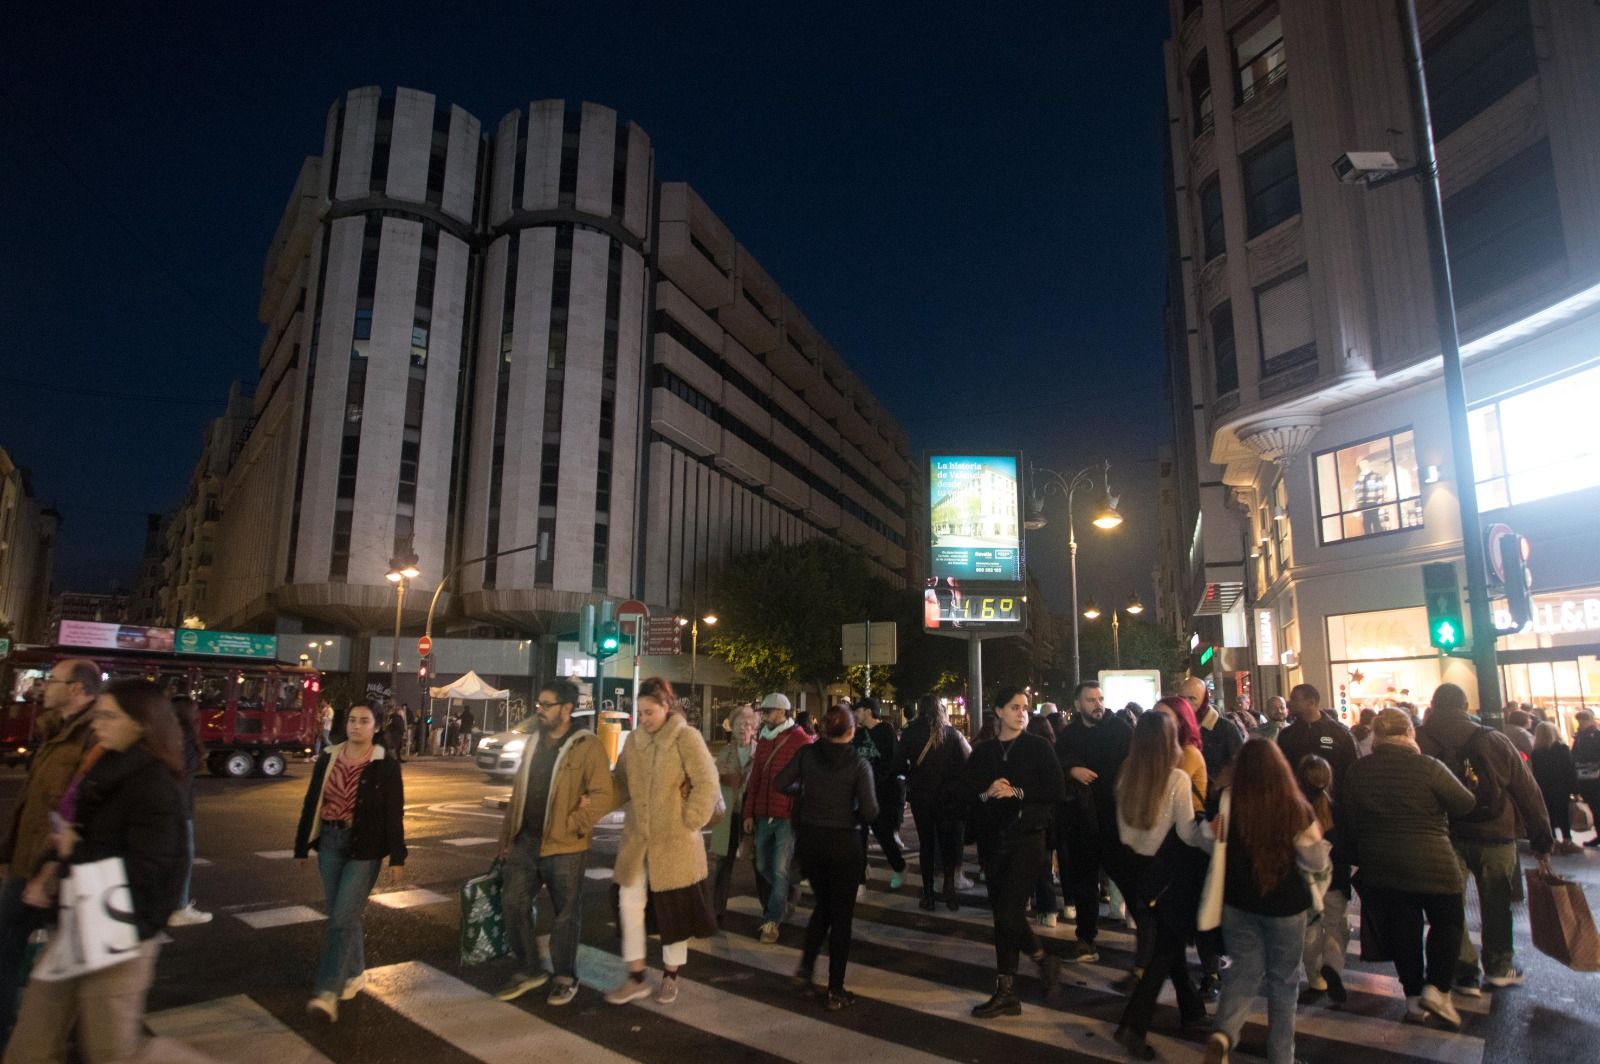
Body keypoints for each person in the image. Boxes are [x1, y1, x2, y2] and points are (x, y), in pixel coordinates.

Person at [3, 680, 188, 1064]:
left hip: (121, 930)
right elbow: (74, 828)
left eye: (108, 716)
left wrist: (75, 851)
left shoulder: (155, 784)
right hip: (77, 920)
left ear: (141, 723)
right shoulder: (103, 765)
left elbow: (150, 868)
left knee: (115, 1053)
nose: (97, 724)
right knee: (30, 1045)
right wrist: (48, 869)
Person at [1339, 708, 1475, 1026]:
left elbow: (1348, 817)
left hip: (1383, 864)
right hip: (1434, 862)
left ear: (1377, 736)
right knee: (1448, 922)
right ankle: (1438, 987)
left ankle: (1413, 998)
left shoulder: (1359, 772)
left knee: (1404, 930)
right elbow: (1464, 803)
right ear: (1410, 732)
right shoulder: (1428, 767)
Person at [1417, 682, 1553, 994]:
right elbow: (1526, 790)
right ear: (1465, 705)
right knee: (1496, 901)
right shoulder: (1493, 738)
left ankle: (1462, 968)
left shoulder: (1420, 739)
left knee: (1450, 903)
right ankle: (1499, 965)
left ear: (1434, 705)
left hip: (1445, 832)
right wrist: (1541, 837)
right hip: (1496, 830)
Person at [1203, 740, 1328, 1064]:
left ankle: (1224, 1034)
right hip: (1286, 905)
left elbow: (1213, 843)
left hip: (1238, 902)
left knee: (1242, 973)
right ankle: (1281, 1056)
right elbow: (1314, 861)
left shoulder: (1229, 799)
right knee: (1284, 983)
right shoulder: (1294, 806)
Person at [495, 679, 614, 1006]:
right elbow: (519, 790)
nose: (540, 711)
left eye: (546, 705)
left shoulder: (585, 745)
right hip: (525, 841)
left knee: (566, 914)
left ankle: (565, 975)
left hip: (565, 846)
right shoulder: (534, 741)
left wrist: (576, 823)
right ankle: (530, 967)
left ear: (567, 708)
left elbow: (604, 794)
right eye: (539, 705)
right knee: (513, 904)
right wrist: (507, 837)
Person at [0, 658, 100, 1043]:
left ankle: (74, 1039)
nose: (44, 686)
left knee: (68, 962)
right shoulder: (56, 730)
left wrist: (51, 868)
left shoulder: (94, 735)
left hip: (58, 871)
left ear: (76, 688)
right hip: (28, 864)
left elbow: (79, 810)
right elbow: (36, 802)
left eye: (52, 680)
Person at [605, 678, 719, 1007]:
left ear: (666, 707)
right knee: (629, 904)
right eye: (640, 713)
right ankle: (636, 977)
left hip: (675, 844)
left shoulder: (686, 737)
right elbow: (620, 784)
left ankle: (671, 975)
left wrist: (690, 819)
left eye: (650, 712)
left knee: (674, 912)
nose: (644, 719)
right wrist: (595, 802)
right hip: (637, 841)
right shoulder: (634, 742)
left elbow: (707, 782)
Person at [293, 705, 406, 1022]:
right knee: (343, 913)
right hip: (330, 841)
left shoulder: (385, 764)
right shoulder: (329, 756)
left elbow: (393, 814)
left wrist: (398, 857)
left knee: (341, 918)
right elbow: (312, 800)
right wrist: (302, 845)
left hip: (365, 848)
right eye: (352, 720)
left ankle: (327, 991)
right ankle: (355, 972)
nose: (356, 726)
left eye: (364, 721)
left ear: (376, 727)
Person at [1115, 710, 1214, 1059]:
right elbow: (1187, 834)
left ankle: (1192, 1011)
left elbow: (1125, 832)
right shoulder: (1176, 780)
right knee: (1165, 953)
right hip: (1169, 876)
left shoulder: (1127, 774)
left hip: (1138, 871)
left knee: (1168, 950)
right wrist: (1213, 838)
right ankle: (1132, 1026)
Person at [964, 687, 1065, 1019]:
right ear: (999, 711)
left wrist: (1017, 792)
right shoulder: (984, 752)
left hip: (1028, 840)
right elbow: (965, 791)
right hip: (993, 841)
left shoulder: (1039, 747)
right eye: (1014, 707)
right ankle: (1006, 990)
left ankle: (1041, 959)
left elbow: (1055, 789)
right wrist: (985, 793)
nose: (1022, 713)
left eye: (1025, 707)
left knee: (1009, 912)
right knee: (1001, 917)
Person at [777, 704, 878, 1009]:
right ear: (851, 731)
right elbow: (871, 810)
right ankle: (835, 988)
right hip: (844, 843)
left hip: (811, 841)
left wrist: (806, 791)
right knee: (841, 916)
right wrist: (853, 809)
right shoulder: (858, 764)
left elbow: (781, 783)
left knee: (824, 905)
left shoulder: (808, 754)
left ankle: (806, 967)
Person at [1054, 680, 1133, 963]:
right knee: (1084, 883)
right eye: (1090, 700)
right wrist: (1071, 770)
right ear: (1077, 704)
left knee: (1126, 879)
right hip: (1081, 822)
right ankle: (1086, 939)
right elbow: (1057, 764)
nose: (1098, 704)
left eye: (1100, 698)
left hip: (1115, 819)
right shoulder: (1069, 735)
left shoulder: (1120, 730)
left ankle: (1146, 942)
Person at [741, 693, 814, 944]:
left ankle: (772, 921)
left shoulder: (800, 740)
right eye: (764, 712)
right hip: (763, 813)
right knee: (762, 866)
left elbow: (808, 779)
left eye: (768, 712)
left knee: (779, 869)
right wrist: (749, 811)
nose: (765, 717)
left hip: (786, 815)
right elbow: (755, 779)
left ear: (783, 712)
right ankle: (786, 894)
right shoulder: (764, 739)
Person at [897, 695, 970, 911]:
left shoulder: (910, 733)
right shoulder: (952, 734)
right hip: (948, 798)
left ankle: (928, 893)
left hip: (922, 797)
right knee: (948, 842)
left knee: (926, 845)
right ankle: (949, 886)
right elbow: (967, 763)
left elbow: (898, 766)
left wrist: (912, 775)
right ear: (941, 711)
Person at [1295, 755, 1351, 1005]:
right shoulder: (1337, 810)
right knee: (1336, 926)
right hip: (1336, 878)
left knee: (1311, 930)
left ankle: (1317, 977)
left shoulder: (1295, 810)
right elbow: (1349, 846)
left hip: (1306, 882)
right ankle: (1333, 966)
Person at [851, 698, 907, 890]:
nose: (855, 715)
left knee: (884, 835)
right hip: (861, 794)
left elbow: (891, 762)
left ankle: (899, 867)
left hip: (881, 794)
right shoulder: (858, 734)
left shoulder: (886, 731)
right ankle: (860, 878)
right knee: (860, 836)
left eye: (857, 711)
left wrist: (874, 782)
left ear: (867, 711)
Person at [167, 696, 213, 927]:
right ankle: (179, 906)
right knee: (183, 857)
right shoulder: (184, 736)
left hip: (172, 805)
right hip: (180, 806)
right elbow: (182, 774)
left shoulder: (166, 733)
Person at [710, 705, 759, 917]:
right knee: (723, 861)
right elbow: (712, 779)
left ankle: (771, 909)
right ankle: (716, 909)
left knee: (758, 861)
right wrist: (721, 777)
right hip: (728, 812)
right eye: (740, 724)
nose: (743, 728)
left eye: (748, 725)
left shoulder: (760, 752)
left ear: (755, 729)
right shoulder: (725, 752)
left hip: (751, 813)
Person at [1277, 684, 1357, 796]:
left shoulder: (1340, 733)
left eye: (1295, 699)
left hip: (1333, 803)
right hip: (1298, 801)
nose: (1289, 703)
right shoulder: (1287, 735)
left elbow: (1351, 770)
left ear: (1311, 703)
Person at [1529, 723, 1582, 855]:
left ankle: (1552, 841)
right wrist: (1575, 791)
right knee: (1563, 814)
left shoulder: (1536, 752)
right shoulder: (1562, 749)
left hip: (1543, 789)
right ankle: (1567, 840)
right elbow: (1570, 771)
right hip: (1560, 788)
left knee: (1549, 816)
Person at [1572, 711, 1600, 847]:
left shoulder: (1595, 735)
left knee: (1597, 807)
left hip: (1594, 777)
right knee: (1594, 807)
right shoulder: (1579, 737)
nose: (1581, 723)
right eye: (1579, 720)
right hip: (1584, 778)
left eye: (1584, 720)